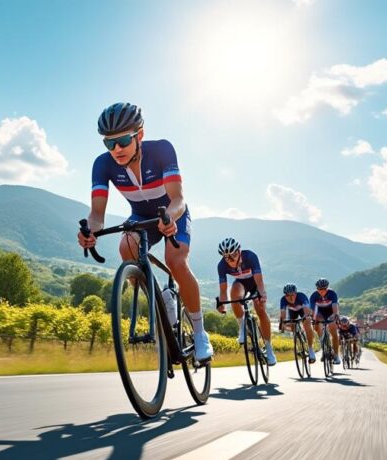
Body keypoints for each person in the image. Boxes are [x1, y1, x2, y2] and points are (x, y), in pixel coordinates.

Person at [78, 102, 213, 362]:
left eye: (123, 140)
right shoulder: (102, 165)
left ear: (139, 134)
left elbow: (178, 199)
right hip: (140, 217)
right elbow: (96, 216)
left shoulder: (161, 149)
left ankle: (199, 333)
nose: (116, 149)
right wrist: (89, 231)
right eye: (109, 143)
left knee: (176, 261)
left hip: (171, 212)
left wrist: (170, 217)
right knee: (125, 246)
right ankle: (161, 303)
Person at [215, 238, 277, 366]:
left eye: (233, 256)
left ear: (239, 251)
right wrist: (221, 303)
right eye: (226, 257)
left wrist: (262, 294)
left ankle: (269, 348)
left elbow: (259, 282)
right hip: (241, 284)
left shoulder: (250, 256)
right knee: (234, 292)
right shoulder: (221, 266)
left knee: (260, 309)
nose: (230, 260)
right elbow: (223, 290)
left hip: (254, 283)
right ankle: (242, 326)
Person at [278, 283, 316, 363]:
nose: (291, 297)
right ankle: (298, 337)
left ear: (296, 293)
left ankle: (310, 349)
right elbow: (283, 313)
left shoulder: (301, 296)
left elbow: (306, 308)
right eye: (288, 295)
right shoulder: (283, 300)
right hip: (293, 312)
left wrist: (306, 317)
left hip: (303, 311)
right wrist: (282, 322)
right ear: (285, 295)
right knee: (293, 327)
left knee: (307, 324)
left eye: (293, 295)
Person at [310, 278, 341, 365]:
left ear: (327, 288)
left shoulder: (332, 293)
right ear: (317, 289)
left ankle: (336, 355)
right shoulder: (314, 296)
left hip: (330, 311)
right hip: (320, 312)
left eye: (324, 289)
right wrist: (315, 319)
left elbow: (335, 306)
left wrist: (335, 315)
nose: (322, 291)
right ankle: (324, 347)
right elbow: (313, 310)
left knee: (334, 332)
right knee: (316, 326)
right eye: (320, 289)